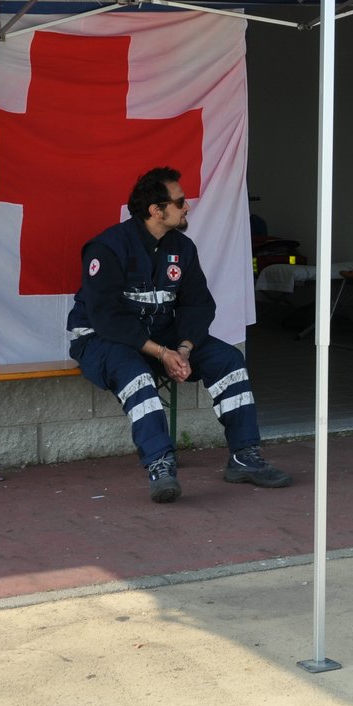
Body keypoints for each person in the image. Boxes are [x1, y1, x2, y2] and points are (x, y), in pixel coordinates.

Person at [68, 166, 292, 503]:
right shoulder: (107, 247)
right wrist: (161, 352)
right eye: (180, 202)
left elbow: (199, 305)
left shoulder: (181, 247)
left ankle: (244, 457)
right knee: (136, 375)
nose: (187, 207)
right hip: (101, 340)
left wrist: (184, 348)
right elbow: (106, 319)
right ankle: (160, 464)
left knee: (229, 360)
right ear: (156, 210)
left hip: (161, 338)